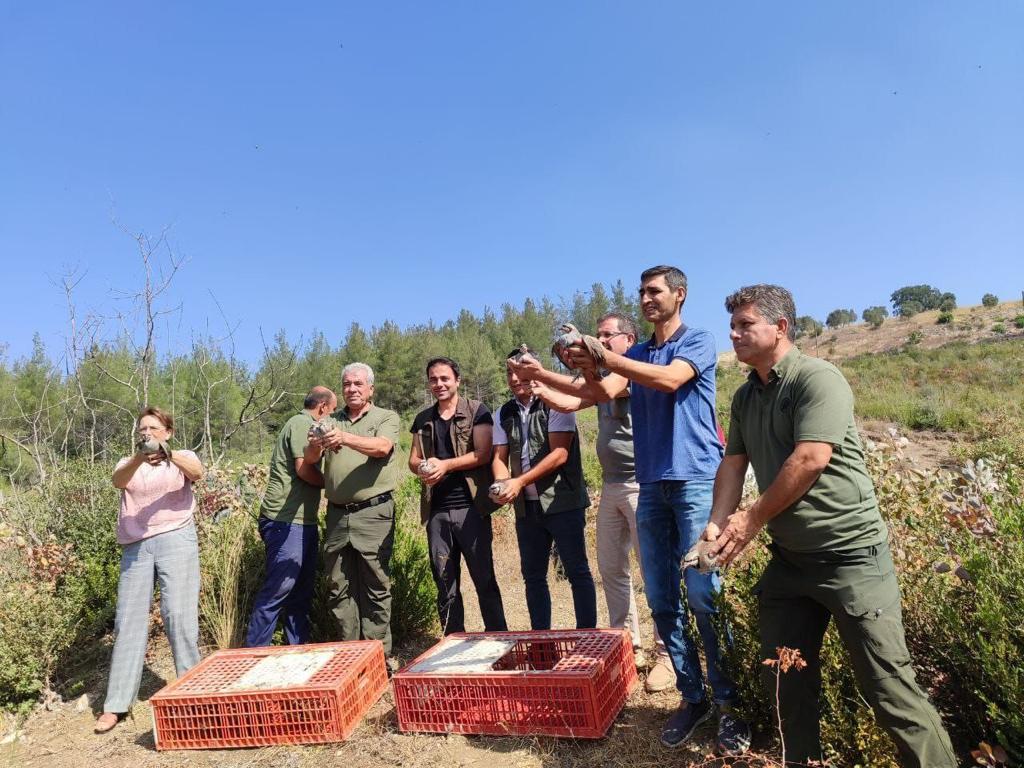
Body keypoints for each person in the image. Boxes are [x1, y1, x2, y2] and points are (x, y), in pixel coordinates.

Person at [705, 284, 957, 767]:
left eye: (744, 325)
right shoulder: (744, 397)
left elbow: (811, 458)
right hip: (790, 563)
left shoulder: (818, 379)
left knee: (890, 690)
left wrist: (751, 519)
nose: (733, 334)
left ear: (780, 328)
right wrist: (717, 526)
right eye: (732, 325)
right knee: (783, 681)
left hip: (851, 559)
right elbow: (733, 466)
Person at [569, 266, 749, 754]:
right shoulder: (640, 353)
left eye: (655, 291)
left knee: (705, 594)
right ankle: (693, 698)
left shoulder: (698, 341)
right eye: (641, 292)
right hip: (651, 487)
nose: (647, 298)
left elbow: (670, 382)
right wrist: (589, 363)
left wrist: (604, 354)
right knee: (664, 598)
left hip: (694, 484)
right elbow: (601, 392)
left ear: (679, 295)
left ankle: (732, 705)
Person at [507, 312, 668, 678]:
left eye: (607, 335)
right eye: (597, 335)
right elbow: (571, 401)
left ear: (628, 338)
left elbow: (604, 390)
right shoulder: (599, 377)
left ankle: (665, 654)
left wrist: (544, 376)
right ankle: (629, 646)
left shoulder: (634, 366)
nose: (600, 340)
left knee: (652, 570)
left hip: (641, 484)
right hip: (612, 485)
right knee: (612, 570)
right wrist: (539, 386)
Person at [95, 407, 205, 734]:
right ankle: (116, 705)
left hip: (176, 537)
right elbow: (117, 481)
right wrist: (140, 458)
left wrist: (167, 454)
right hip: (136, 545)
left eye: (154, 428)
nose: (147, 432)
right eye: (143, 428)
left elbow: (196, 472)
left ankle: (193, 696)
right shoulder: (128, 463)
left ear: (167, 432)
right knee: (128, 621)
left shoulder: (181, 455)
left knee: (178, 616)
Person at [491, 348, 597, 630]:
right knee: (534, 576)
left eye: (521, 371)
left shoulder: (556, 402)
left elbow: (559, 454)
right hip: (527, 508)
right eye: (509, 373)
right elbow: (499, 458)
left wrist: (519, 481)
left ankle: (586, 637)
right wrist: (502, 483)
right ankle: (542, 641)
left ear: (534, 370)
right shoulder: (503, 412)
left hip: (562, 501)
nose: (515, 378)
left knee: (577, 572)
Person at [305, 363, 400, 657]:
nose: (352, 389)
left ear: (371, 388)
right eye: (347, 384)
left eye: (358, 384)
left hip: (373, 514)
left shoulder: (386, 417)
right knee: (338, 587)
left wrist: (343, 438)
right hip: (336, 515)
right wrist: (316, 443)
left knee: (375, 584)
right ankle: (351, 655)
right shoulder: (330, 420)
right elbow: (310, 460)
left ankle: (378, 657)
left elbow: (382, 447)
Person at [409, 357, 507, 634]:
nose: (438, 384)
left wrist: (445, 465)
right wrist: (423, 468)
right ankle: (453, 639)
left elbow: (483, 454)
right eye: (433, 379)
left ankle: (499, 638)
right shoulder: (422, 419)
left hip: (471, 509)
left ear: (457, 380)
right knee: (444, 581)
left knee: (484, 578)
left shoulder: (477, 411)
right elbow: (413, 459)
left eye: (444, 378)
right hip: (437, 512)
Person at [245, 386, 337, 647]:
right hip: (285, 521)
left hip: (302, 521)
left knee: (301, 593)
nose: (331, 417)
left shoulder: (302, 422)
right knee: (279, 589)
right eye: (331, 411)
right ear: (322, 408)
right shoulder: (301, 423)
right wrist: (334, 487)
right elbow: (304, 470)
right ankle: (253, 657)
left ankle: (297, 650)